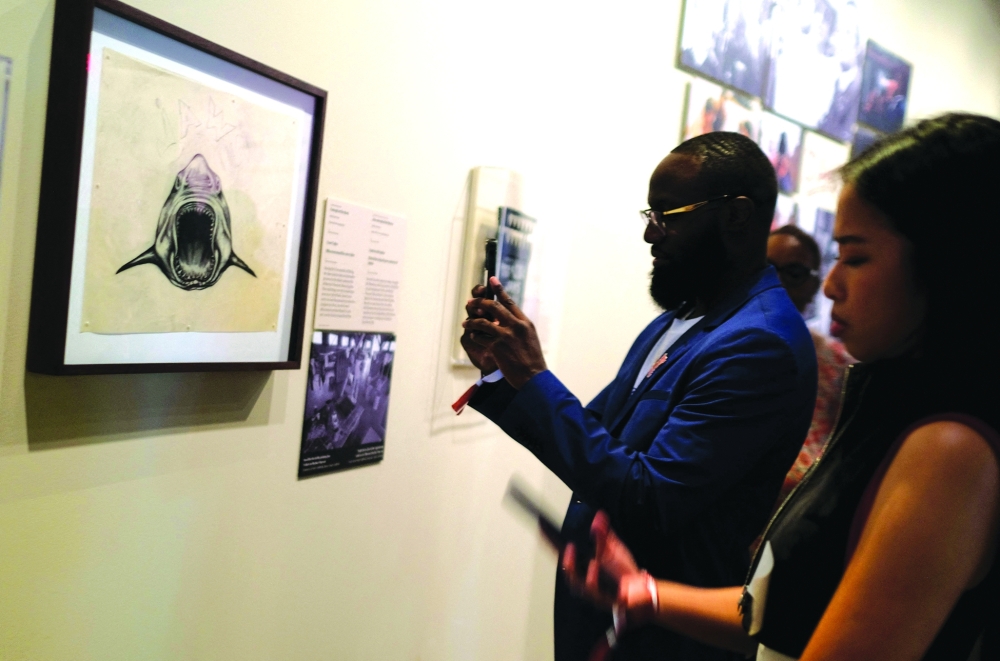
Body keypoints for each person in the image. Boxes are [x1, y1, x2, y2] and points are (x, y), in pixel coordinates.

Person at [564, 113, 1000, 661]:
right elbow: (793, 615)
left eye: (856, 257)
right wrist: (647, 594)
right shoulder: (888, 411)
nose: (832, 286)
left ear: (945, 264)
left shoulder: (948, 450)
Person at [461, 132, 818, 660]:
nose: (651, 234)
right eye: (650, 214)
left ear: (736, 216)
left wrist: (534, 377)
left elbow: (649, 499)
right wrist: (504, 373)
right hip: (605, 619)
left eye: (668, 215)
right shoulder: (680, 320)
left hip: (668, 637)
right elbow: (596, 439)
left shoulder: (761, 343)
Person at [767, 225, 853, 504]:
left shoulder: (838, 367)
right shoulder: (719, 352)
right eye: (766, 269)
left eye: (794, 273)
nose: (777, 283)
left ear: (815, 285)